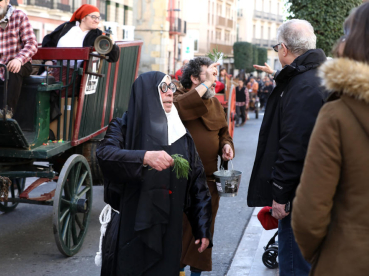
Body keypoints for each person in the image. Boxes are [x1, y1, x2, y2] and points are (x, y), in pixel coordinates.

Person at [96, 71, 213, 276]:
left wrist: (202, 228)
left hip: (169, 230)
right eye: (163, 88)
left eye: (172, 88)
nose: (170, 94)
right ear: (146, 93)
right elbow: (105, 155)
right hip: (131, 230)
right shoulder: (123, 126)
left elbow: (197, 183)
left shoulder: (180, 133)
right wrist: (144, 157)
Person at [292, 4, 369, 275]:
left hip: (349, 259)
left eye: (347, 34)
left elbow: (309, 214)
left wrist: (325, 255)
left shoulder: (338, 113)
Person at [247, 19, 327, 276]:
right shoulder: (317, 78)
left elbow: (294, 146)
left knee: (295, 266)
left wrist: (281, 194)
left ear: (283, 48)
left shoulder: (302, 86)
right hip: (317, 191)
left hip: (299, 196)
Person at [174, 57, 234, 276]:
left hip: (209, 181)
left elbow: (223, 133)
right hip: (182, 180)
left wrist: (226, 146)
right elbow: (181, 108)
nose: (214, 80)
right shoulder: (177, 98)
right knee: (181, 231)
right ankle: (178, 270)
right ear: (194, 78)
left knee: (205, 230)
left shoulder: (215, 103)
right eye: (210, 75)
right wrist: (206, 84)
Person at [42, 4, 120, 74]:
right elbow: (48, 41)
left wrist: (112, 43)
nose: (96, 20)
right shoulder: (67, 26)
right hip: (53, 69)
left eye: (98, 18)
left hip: (76, 75)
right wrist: (48, 60)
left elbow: (113, 58)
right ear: (83, 18)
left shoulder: (98, 35)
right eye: (93, 17)